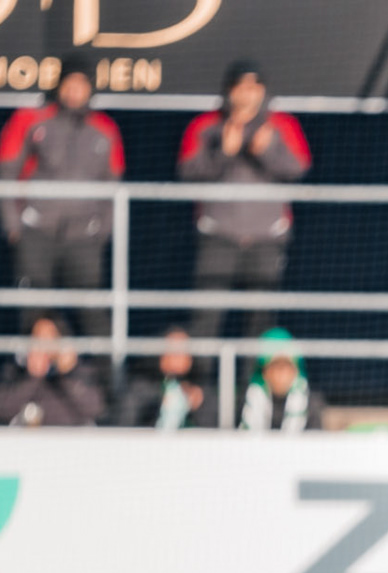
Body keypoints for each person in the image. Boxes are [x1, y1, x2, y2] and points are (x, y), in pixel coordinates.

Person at [178, 61, 313, 368]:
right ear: (229, 91)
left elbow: (299, 168)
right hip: (218, 237)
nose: (247, 95)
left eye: (254, 88)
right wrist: (223, 152)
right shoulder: (206, 126)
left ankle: (250, 397)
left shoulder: (282, 125)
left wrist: (266, 150)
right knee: (206, 321)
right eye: (241, 87)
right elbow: (187, 172)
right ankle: (201, 400)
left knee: (260, 325)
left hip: (267, 239)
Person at [0, 55, 124, 338]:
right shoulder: (31, 120)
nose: (74, 90)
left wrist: (101, 232)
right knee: (35, 317)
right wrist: (14, 227)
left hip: (84, 237)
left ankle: (108, 381)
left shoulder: (106, 130)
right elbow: (4, 174)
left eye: (81, 84)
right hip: (36, 233)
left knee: (94, 315)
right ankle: (32, 382)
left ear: (91, 90)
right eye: (69, 83)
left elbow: (114, 189)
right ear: (59, 85)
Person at [0, 315, 106, 427]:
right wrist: (32, 376)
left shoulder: (79, 367)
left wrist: (69, 374)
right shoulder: (18, 368)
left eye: (50, 338)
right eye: (38, 339)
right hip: (28, 442)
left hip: (71, 441)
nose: (45, 346)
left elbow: (95, 409)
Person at [117, 327, 214, 429]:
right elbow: (124, 423)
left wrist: (199, 406)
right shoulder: (141, 387)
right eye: (172, 349)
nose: (177, 356)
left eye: (183, 350)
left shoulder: (202, 390)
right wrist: (159, 402)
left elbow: (215, 428)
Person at [238, 328, 326, 432]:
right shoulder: (246, 401)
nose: (281, 374)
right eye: (275, 367)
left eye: (286, 367)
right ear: (264, 372)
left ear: (296, 371)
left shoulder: (311, 404)